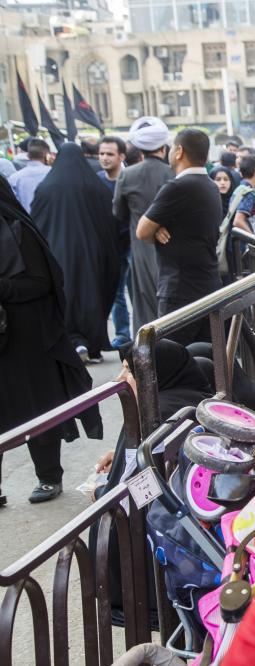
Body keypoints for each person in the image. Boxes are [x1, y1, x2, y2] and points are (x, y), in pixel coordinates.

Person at [0, 178, 102, 504]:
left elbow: (43, 282)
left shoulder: (18, 231)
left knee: (35, 408)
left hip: (26, 339)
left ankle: (48, 477)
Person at [31, 143, 120, 361]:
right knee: (93, 294)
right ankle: (93, 345)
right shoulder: (96, 188)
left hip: (58, 252)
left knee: (65, 294)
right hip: (94, 253)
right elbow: (110, 224)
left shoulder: (46, 188)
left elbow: (36, 223)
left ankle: (71, 342)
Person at [136, 129, 222, 346]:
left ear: (179, 151)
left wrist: (154, 229)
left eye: (172, 146)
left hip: (180, 291)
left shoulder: (178, 186)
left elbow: (141, 231)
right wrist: (157, 228)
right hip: (208, 286)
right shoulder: (210, 185)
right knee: (208, 361)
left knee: (173, 361)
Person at [114, 116, 174, 335]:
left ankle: (146, 354)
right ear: (164, 147)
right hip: (171, 245)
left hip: (140, 247)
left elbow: (118, 212)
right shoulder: (173, 173)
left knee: (142, 301)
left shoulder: (127, 175)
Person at [98, 135, 132, 349]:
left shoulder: (130, 178)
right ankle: (123, 334)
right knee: (117, 293)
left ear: (121, 156)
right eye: (102, 153)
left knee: (138, 292)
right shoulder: (96, 181)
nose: (104, 158)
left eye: (109, 154)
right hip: (109, 246)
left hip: (133, 244)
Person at [218, 155, 255, 276]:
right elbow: (238, 221)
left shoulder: (242, 188)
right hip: (239, 247)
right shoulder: (248, 193)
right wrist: (254, 238)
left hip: (233, 243)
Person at [7, 138, 51, 214]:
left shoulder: (14, 178)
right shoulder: (54, 174)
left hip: (26, 223)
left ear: (28, 155)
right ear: (47, 155)